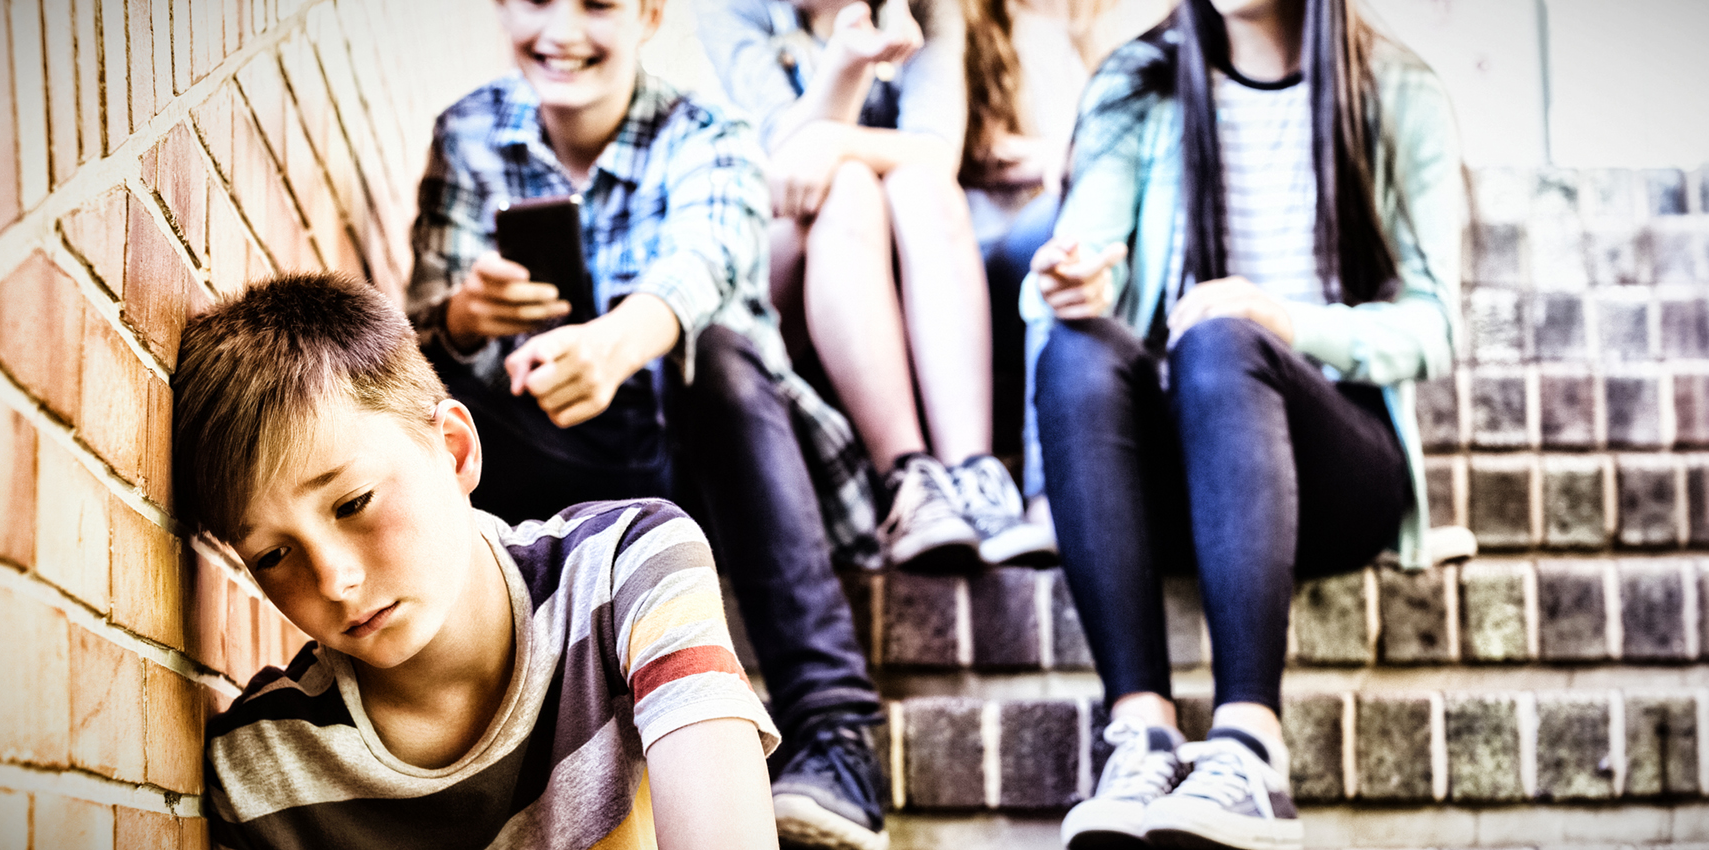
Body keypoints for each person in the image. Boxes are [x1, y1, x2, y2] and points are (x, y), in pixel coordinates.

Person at [403, 0, 893, 847]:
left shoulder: (709, 129)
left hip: (705, 451)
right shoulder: (469, 130)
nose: (561, 30)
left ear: (648, 16)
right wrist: (465, 315)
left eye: (596, 5)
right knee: (431, 398)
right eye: (535, 1)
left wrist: (618, 343)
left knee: (727, 358)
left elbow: (706, 257)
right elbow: (417, 322)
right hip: (549, 449)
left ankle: (837, 736)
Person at [1027, 0, 1464, 847]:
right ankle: (1142, 736)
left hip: (1335, 473)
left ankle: (1248, 746)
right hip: (1185, 483)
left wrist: (1284, 319)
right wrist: (1067, 280)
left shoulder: (1398, 91)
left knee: (1226, 337)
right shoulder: (1138, 80)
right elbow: (1082, 257)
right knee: (1075, 351)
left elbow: (1434, 324)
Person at [177, 274, 779, 849]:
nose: (335, 581)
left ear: (455, 449)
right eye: (273, 555)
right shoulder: (263, 771)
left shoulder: (626, 570)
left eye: (353, 503)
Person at [697, 0, 1054, 571]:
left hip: (892, 258)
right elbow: (784, 174)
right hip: (784, 269)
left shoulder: (930, 11)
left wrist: (833, 142)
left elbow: (937, 150)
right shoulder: (735, 13)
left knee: (923, 185)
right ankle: (905, 476)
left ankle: (971, 472)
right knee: (850, 185)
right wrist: (845, 66)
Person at [958, 0, 1160, 520]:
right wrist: (1067, 157)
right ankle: (1048, 492)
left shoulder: (1128, 19)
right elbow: (973, 145)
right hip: (1001, 247)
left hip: (1094, 231)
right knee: (1067, 230)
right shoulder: (975, 17)